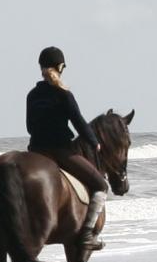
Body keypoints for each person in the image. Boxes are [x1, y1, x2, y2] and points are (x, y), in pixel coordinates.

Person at [27, 46, 108, 250]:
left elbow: (29, 126)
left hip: (35, 151)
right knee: (101, 186)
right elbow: (79, 122)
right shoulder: (64, 94)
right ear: (61, 67)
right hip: (60, 151)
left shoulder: (32, 95)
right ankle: (88, 233)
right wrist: (94, 142)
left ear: (41, 67)